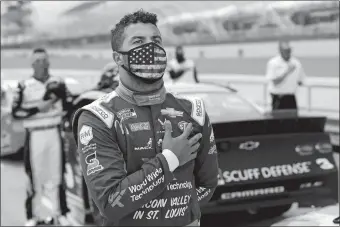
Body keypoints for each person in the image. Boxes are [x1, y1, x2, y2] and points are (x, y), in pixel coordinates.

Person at [72, 10, 218, 226]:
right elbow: (111, 204)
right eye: (138, 41)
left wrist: (174, 213)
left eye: (156, 40)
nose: (150, 48)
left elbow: (208, 183)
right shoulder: (97, 118)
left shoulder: (193, 110)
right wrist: (170, 159)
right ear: (117, 57)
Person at [11, 48, 72, 226]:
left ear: (49, 62)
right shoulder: (24, 85)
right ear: (31, 64)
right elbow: (16, 112)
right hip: (35, 135)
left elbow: (69, 105)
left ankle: (59, 213)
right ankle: (33, 216)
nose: (41, 64)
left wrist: (59, 99)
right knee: (34, 176)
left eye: (44, 60)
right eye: (37, 61)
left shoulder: (58, 82)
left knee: (57, 174)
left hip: (54, 131)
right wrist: (38, 108)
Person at [266, 41, 306, 111]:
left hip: (291, 97)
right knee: (277, 120)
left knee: (293, 120)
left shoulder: (296, 63)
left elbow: (300, 81)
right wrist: (287, 72)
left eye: (289, 50)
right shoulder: (273, 63)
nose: (288, 52)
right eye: (286, 50)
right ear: (280, 51)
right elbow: (275, 82)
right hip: (278, 98)